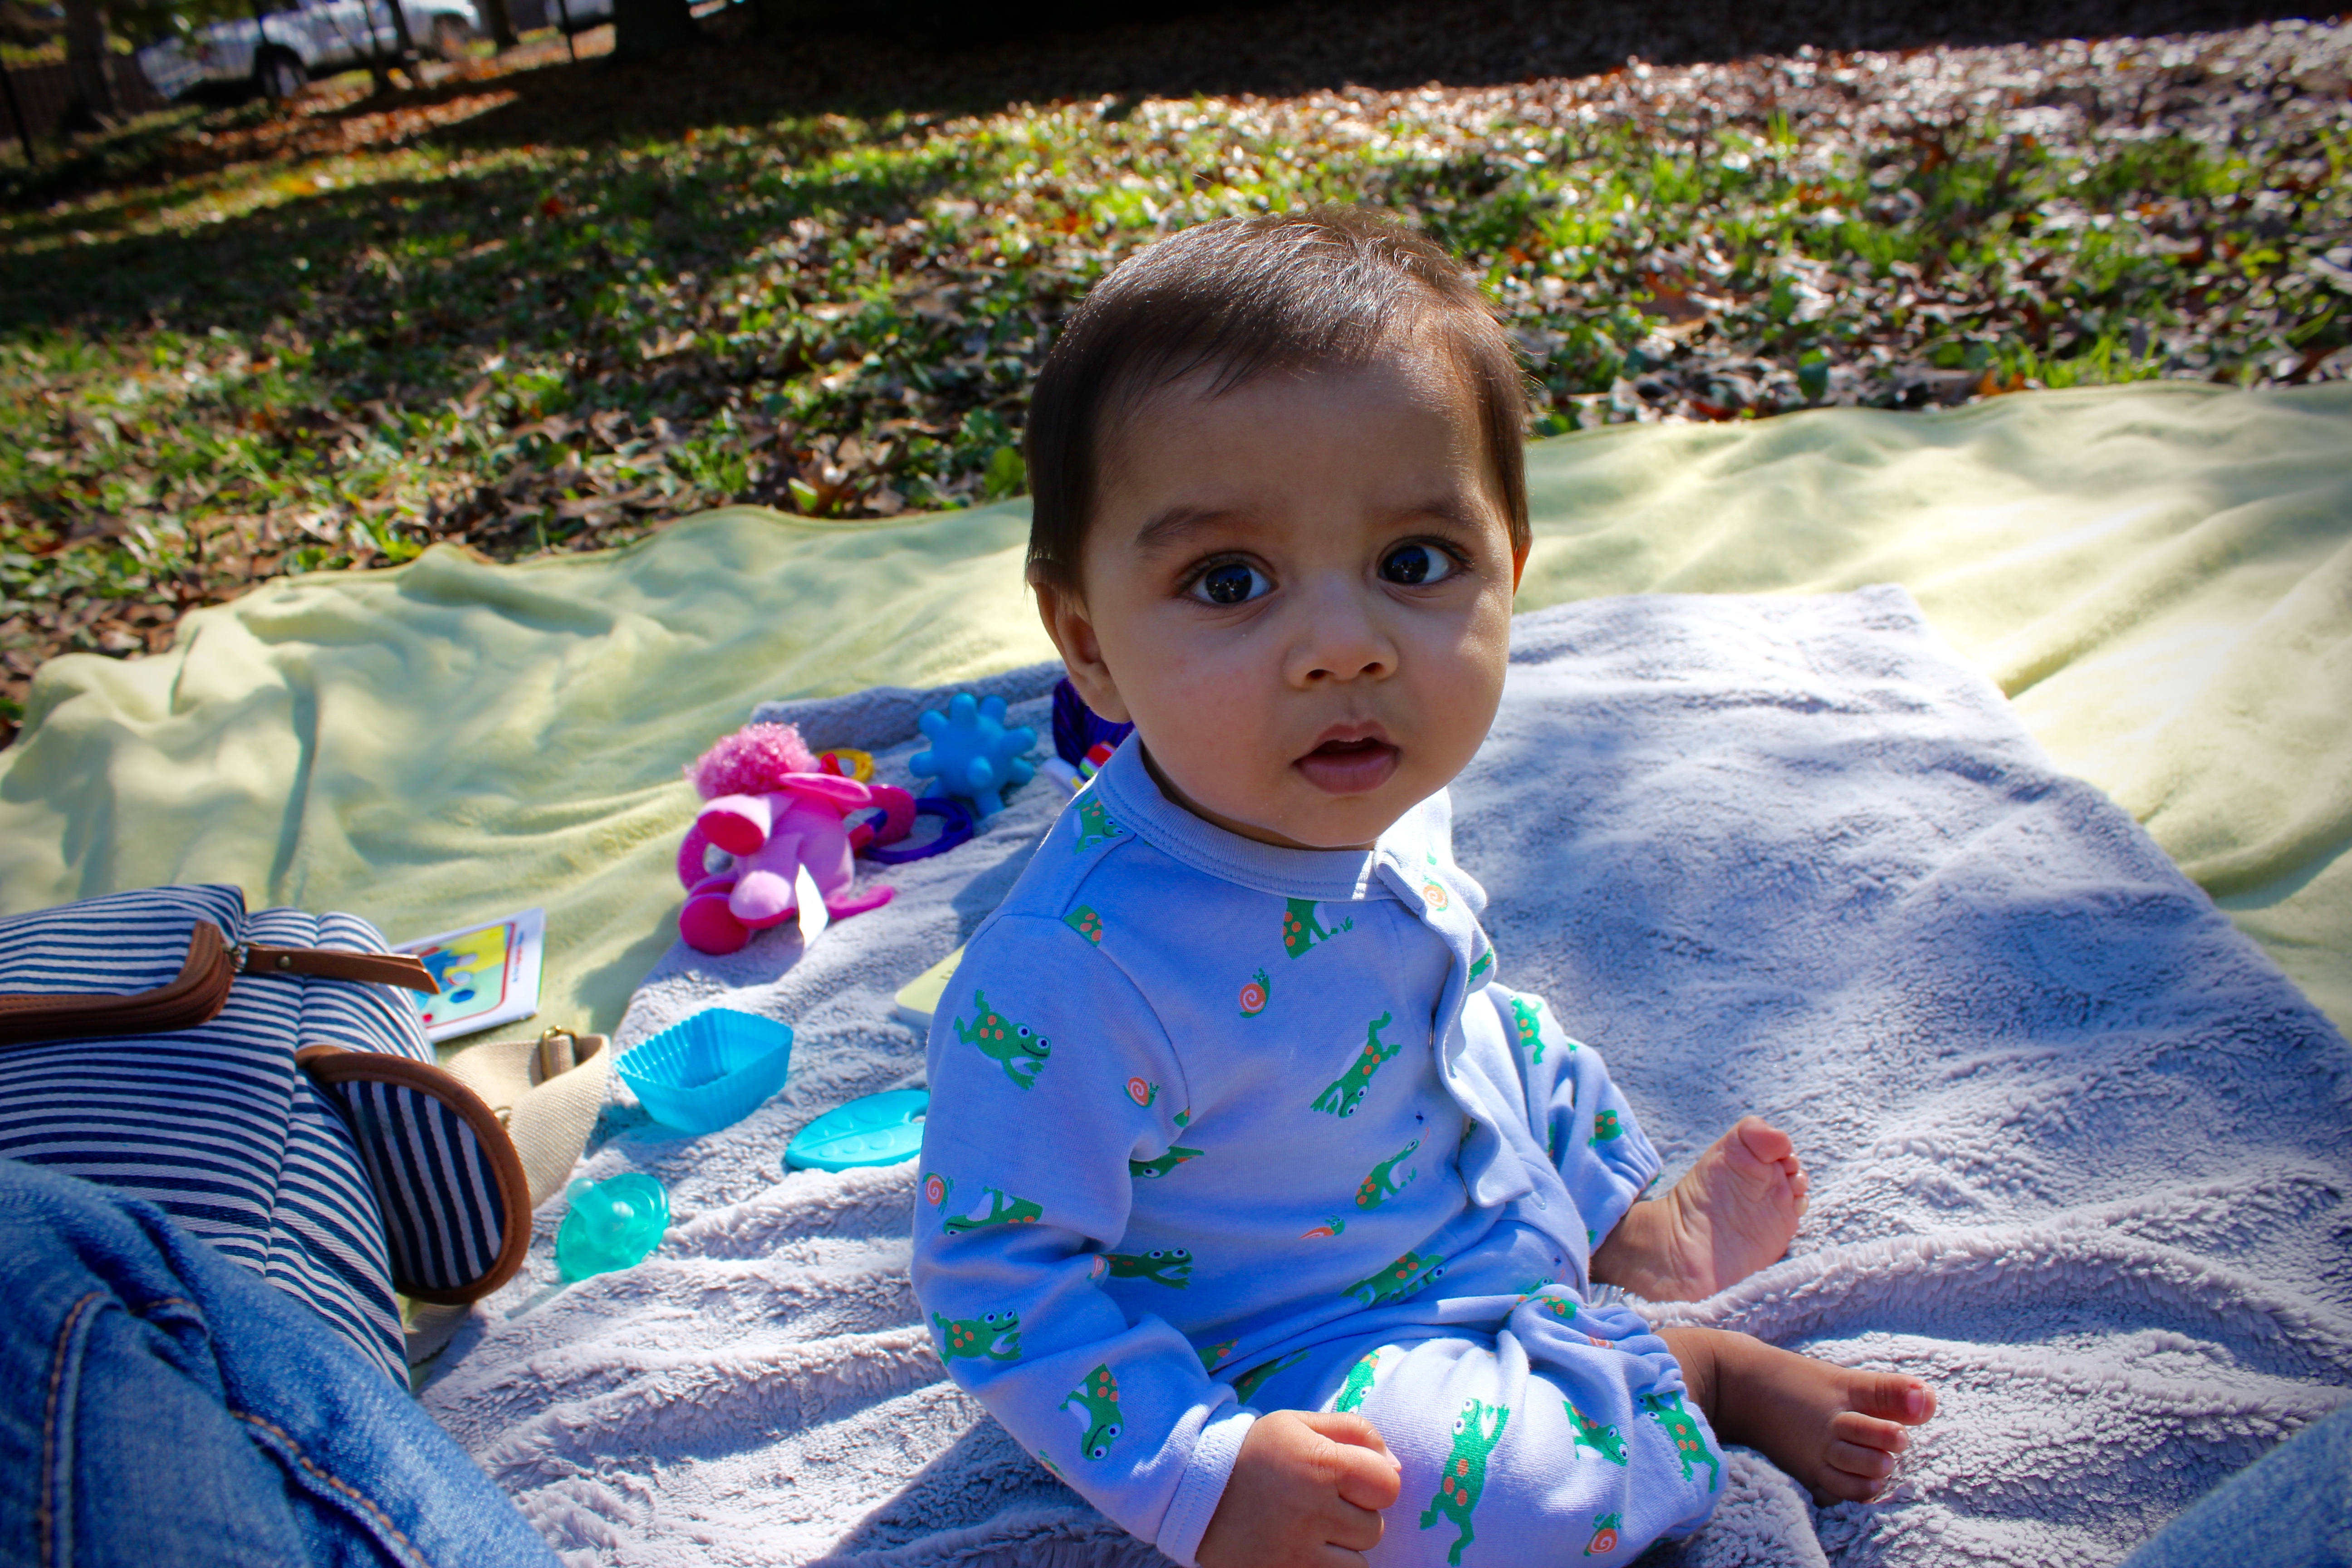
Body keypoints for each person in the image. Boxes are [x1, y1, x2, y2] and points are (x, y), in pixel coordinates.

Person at [910, 206, 1935, 1568]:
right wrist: (1199, 1472)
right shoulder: (1076, 971)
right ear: (1090, 648)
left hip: (1447, 1159)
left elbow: (1457, 1018)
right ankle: (1691, 1376)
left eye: (1413, 565)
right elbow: (996, 1280)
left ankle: (1620, 1226)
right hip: (1296, 1333)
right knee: (1453, 1502)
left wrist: (1559, 1154)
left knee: (1506, 1025)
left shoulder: (1381, 790)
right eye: (1230, 581)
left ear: (1510, 575)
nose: (1345, 647)